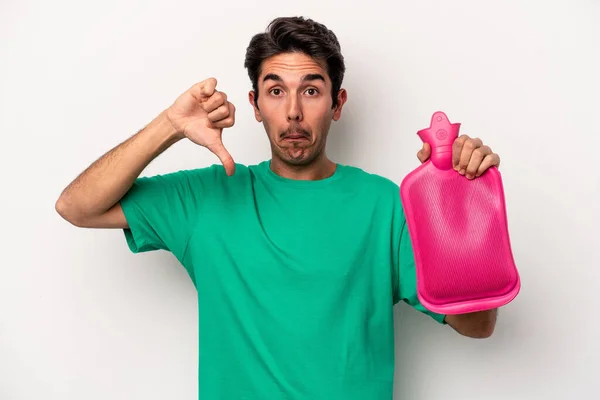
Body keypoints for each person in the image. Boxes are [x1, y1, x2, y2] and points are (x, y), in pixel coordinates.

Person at [56, 16, 501, 400]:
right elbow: (77, 206)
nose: (292, 112)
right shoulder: (207, 197)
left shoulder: (386, 205)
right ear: (254, 105)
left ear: (337, 103)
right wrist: (169, 126)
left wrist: (463, 206)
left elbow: (477, 325)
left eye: (310, 90)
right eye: (275, 90)